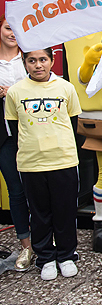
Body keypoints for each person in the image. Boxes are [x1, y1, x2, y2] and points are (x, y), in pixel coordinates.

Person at [5, 48, 82, 281]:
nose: (38, 65)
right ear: (25, 63)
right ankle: (45, 257)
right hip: (31, 163)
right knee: (39, 213)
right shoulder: (16, 92)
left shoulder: (66, 88)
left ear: (52, 61)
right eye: (32, 60)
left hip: (63, 160)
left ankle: (67, 255)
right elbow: (13, 128)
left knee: (65, 210)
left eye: (43, 60)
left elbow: (73, 123)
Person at [0, 17, 33, 271]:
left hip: (24, 136)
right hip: (2, 134)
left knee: (21, 192)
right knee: (15, 190)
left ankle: (29, 246)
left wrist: (13, 91)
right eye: (8, 27)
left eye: (16, 29)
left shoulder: (29, 62)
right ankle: (25, 244)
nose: (12, 34)